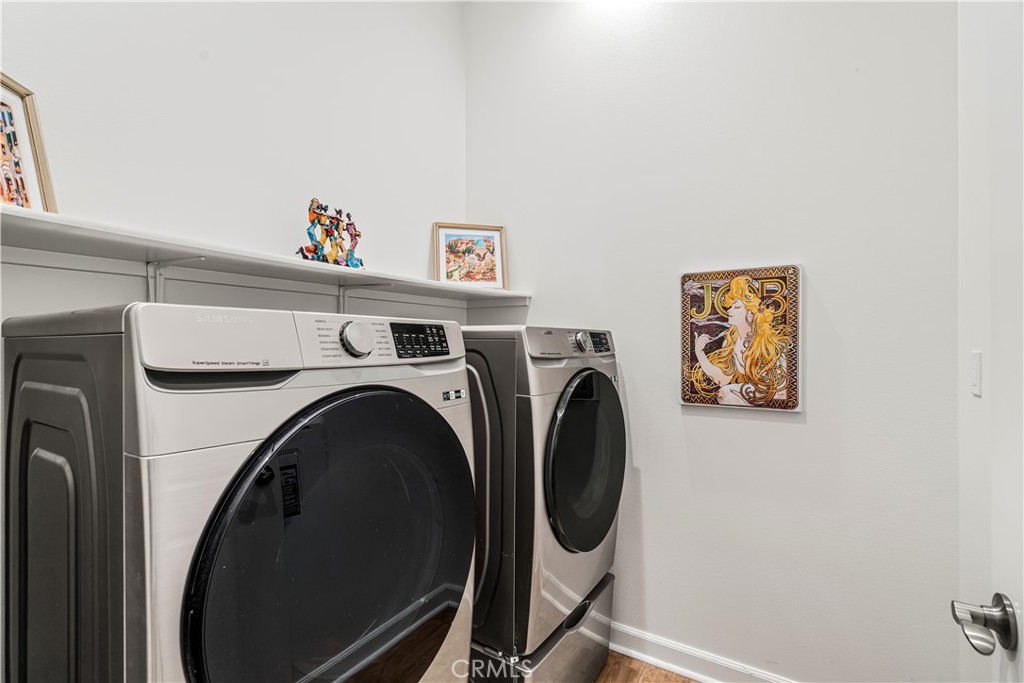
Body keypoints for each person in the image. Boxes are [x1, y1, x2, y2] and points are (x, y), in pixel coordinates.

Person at [692, 275, 789, 406]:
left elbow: (779, 386)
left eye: (736, 307)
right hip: (752, 397)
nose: (729, 310)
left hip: (775, 396)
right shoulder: (731, 341)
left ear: (750, 313)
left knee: (726, 393)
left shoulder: (765, 341)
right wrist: (700, 353)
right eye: (730, 306)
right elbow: (722, 380)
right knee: (724, 392)